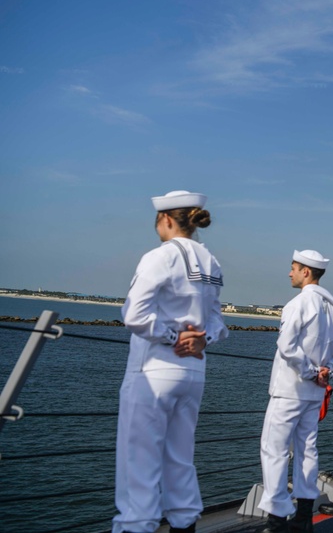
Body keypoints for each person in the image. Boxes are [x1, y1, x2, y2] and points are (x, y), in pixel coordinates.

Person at [113, 190, 228, 533]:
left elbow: (134, 315)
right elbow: (218, 322)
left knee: (139, 467)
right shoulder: (212, 261)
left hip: (154, 371)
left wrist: (170, 336)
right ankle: (184, 524)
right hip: (193, 372)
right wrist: (202, 339)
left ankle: (136, 525)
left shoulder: (160, 256)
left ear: (165, 219)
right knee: (180, 460)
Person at [259, 250, 333, 533]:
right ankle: (304, 516)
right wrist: (326, 372)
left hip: (289, 389)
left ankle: (277, 517)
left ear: (306, 272)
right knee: (307, 451)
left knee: (274, 450)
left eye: (293, 268)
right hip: (314, 393)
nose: (290, 273)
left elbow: (286, 347)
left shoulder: (298, 304)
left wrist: (310, 371)